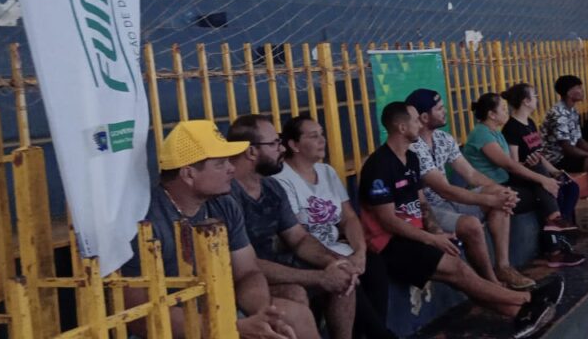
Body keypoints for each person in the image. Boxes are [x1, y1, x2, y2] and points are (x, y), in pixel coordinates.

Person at [359, 102, 564, 339]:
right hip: (388, 244)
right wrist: (431, 239)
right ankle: (529, 298)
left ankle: (520, 314)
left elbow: (422, 203)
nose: (419, 123)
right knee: (458, 270)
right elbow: (387, 222)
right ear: (402, 127)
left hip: (414, 236)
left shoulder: (410, 159)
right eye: (415, 120)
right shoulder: (378, 166)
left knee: (461, 277)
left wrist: (435, 232)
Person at [121, 120, 321, 339]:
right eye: (220, 163)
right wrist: (230, 327)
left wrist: (261, 314)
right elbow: (141, 316)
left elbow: (247, 271)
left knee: (296, 316)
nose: (231, 168)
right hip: (168, 326)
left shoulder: (223, 203)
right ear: (188, 174)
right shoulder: (145, 219)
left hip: (215, 307)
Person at [227, 115, 360, 339]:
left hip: (274, 268)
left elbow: (299, 238)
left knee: (342, 277)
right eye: (274, 143)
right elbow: (243, 265)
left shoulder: (271, 187)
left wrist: (333, 261)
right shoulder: (227, 195)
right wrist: (318, 277)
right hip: (241, 279)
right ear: (251, 152)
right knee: (295, 292)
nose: (281, 149)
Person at [275, 114, 396, 339]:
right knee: (347, 276)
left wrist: (359, 251)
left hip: (337, 246)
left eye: (322, 134)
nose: (322, 140)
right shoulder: (282, 179)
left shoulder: (326, 172)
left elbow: (349, 217)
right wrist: (338, 260)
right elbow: (296, 236)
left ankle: (370, 332)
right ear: (293, 145)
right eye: (314, 136)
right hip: (308, 254)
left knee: (374, 263)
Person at [404, 88, 535, 290]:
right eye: (439, 109)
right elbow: (444, 190)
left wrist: (500, 192)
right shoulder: (413, 147)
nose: (445, 111)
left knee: (500, 195)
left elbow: (471, 175)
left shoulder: (443, 139)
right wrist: (491, 200)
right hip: (428, 208)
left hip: (449, 200)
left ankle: (503, 267)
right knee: (472, 224)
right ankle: (491, 283)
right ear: (423, 117)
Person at [463, 91, 585, 268]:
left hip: (506, 184)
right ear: (492, 114)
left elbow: (515, 164)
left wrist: (542, 173)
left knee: (543, 178)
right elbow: (509, 165)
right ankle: (555, 240)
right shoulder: (482, 134)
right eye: (503, 109)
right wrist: (544, 180)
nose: (507, 112)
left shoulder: (495, 132)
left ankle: (555, 233)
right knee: (542, 188)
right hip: (491, 190)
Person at [540, 75, 588, 192]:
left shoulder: (572, 110)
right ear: (569, 93)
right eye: (578, 88)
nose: (582, 91)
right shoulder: (558, 114)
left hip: (569, 154)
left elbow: (579, 140)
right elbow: (567, 148)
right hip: (557, 159)